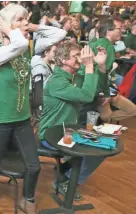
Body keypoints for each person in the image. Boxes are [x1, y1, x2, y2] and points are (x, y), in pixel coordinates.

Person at [0, 4, 40, 213]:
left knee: (34, 166)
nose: (26, 23)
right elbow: (18, 45)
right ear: (5, 26)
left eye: (26, 19)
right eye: (20, 20)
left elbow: (58, 34)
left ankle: (28, 200)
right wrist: (5, 28)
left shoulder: (25, 48)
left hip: (22, 118)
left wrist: (29, 26)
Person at [39, 42, 108, 201]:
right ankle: (65, 180)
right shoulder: (57, 81)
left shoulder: (74, 75)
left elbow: (98, 89)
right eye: (75, 56)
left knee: (104, 146)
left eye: (80, 55)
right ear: (63, 60)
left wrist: (101, 66)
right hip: (51, 134)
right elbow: (87, 96)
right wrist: (90, 66)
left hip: (70, 131)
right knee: (96, 148)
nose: (80, 58)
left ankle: (66, 175)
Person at [88, 19, 136, 123]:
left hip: (98, 89)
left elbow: (108, 71)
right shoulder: (108, 47)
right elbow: (101, 72)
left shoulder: (95, 43)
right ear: (109, 32)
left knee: (110, 115)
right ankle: (99, 120)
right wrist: (105, 93)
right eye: (118, 28)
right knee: (132, 110)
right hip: (100, 91)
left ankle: (99, 120)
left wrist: (112, 84)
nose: (121, 31)